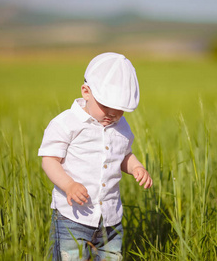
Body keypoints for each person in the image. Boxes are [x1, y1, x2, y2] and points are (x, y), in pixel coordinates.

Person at [38, 52, 152, 261]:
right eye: (106, 106)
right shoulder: (66, 123)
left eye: (119, 110)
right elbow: (49, 160)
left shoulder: (121, 126)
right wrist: (69, 185)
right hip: (73, 217)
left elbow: (124, 154)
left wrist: (136, 167)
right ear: (86, 92)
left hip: (110, 219)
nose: (112, 114)